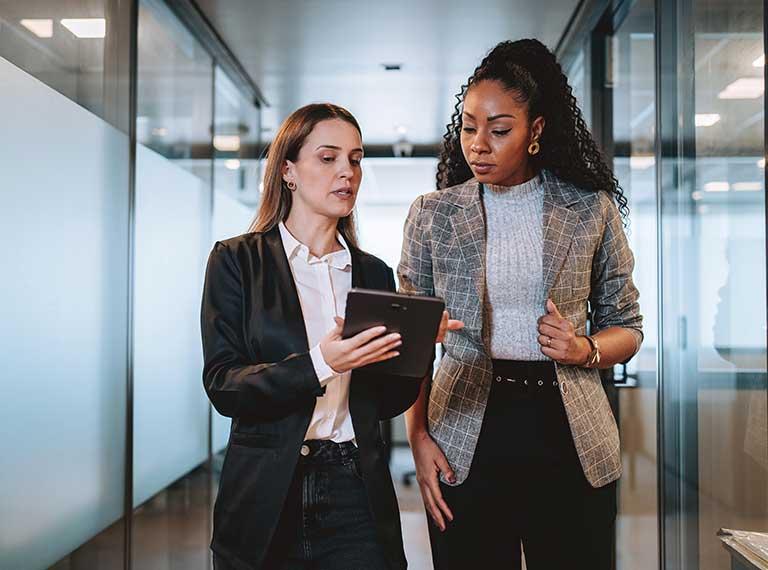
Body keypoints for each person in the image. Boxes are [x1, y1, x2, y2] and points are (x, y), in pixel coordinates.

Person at [398, 39, 643, 570]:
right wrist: (416, 436)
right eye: (468, 127)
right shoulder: (433, 214)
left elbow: (627, 326)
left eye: (499, 129)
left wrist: (584, 349)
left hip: (569, 432)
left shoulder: (589, 210)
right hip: (464, 431)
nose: (478, 145)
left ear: (535, 132)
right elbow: (409, 340)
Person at [201, 103, 421, 570]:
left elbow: (386, 400)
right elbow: (224, 384)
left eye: (356, 159)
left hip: (355, 490)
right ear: (288, 171)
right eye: (328, 158)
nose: (347, 172)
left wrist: (420, 345)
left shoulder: (373, 274)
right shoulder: (237, 261)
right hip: (265, 494)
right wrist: (323, 362)